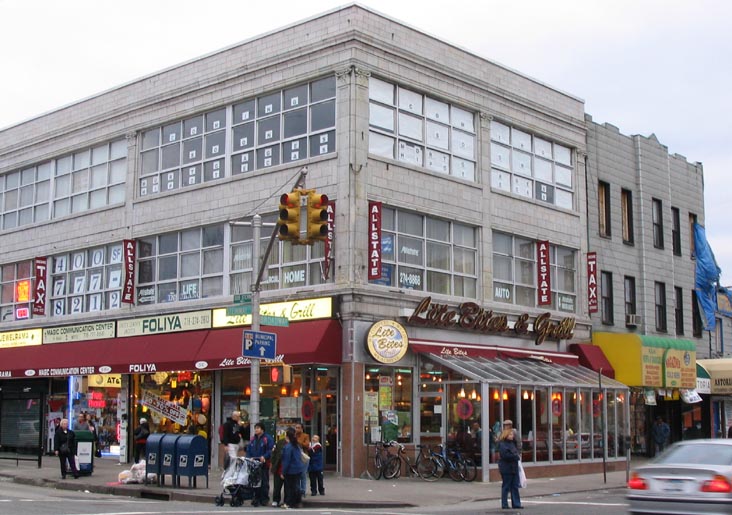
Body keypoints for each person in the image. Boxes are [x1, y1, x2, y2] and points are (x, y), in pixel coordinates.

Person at [246, 421, 273, 507]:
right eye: (255, 428)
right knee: (254, 481)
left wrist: (264, 457)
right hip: (254, 463)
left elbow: (270, 450)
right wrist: (249, 457)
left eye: (258, 428)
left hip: (263, 463)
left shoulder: (267, 438)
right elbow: (249, 449)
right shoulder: (252, 439)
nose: (256, 430)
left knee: (264, 482)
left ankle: (264, 499)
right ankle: (256, 497)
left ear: (262, 429)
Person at [497, 427, 523, 510]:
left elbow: (517, 449)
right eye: (511, 434)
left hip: (514, 467)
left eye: (512, 434)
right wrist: (515, 456)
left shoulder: (512, 443)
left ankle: (516, 503)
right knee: (506, 486)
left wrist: (516, 456)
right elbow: (505, 455)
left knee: (515, 486)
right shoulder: (503, 444)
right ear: (506, 435)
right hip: (506, 468)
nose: (512, 436)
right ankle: (504, 504)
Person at [281, 426, 307, 509]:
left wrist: (283, 472)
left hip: (291, 470)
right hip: (298, 468)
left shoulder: (288, 447)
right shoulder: (296, 445)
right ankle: (298, 502)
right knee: (296, 486)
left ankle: (290, 502)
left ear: (287, 436)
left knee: (290, 488)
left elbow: (286, 461)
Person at [270, 434, 287, 507]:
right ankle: (276, 500)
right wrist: (273, 463)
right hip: (278, 467)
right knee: (277, 486)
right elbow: (274, 453)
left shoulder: (294, 443)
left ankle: (286, 501)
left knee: (288, 487)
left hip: (288, 469)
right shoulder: (280, 443)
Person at [294, 423, 310, 498]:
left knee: (303, 474)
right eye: (296, 427)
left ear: (302, 428)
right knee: (297, 474)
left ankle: (303, 490)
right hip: (296, 457)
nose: (297, 429)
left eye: (298, 428)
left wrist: (298, 442)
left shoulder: (305, 436)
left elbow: (307, 445)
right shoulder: (293, 435)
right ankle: (297, 490)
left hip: (303, 457)